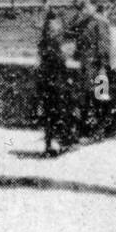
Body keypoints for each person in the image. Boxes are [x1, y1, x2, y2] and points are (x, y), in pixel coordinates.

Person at [71, 0, 113, 141]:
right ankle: (87, 131)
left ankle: (99, 132)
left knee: (99, 99)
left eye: (86, 6)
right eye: (83, 7)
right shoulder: (85, 22)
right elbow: (73, 35)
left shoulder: (100, 22)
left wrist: (102, 67)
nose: (84, 9)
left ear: (94, 7)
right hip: (86, 66)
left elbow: (104, 46)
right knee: (86, 98)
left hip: (98, 67)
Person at [36, 9, 75, 156]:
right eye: (53, 28)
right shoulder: (55, 43)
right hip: (57, 83)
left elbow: (42, 62)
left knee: (48, 116)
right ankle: (59, 144)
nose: (54, 29)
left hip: (46, 82)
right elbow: (60, 61)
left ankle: (49, 145)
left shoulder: (43, 42)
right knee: (60, 114)